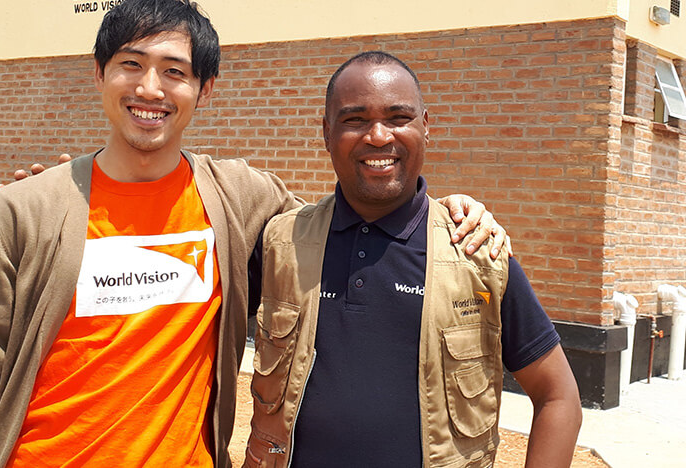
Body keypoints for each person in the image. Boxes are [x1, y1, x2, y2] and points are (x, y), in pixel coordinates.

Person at [0, 1, 506, 467]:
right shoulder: (24, 211)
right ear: (99, 73)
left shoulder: (240, 199)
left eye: (175, 71)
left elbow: (348, 219)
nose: (150, 89)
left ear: (204, 89)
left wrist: (444, 209)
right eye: (131, 64)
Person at [246, 52, 582, 468]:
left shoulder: (477, 252)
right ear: (327, 132)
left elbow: (558, 396)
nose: (378, 136)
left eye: (398, 117)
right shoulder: (281, 244)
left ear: (426, 126)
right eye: (355, 119)